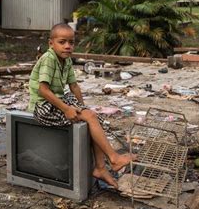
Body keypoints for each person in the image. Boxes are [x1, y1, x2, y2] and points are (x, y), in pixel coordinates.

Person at [28, 23, 135, 188]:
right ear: (51, 43)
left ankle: (100, 168)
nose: (68, 46)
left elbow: (74, 86)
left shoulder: (67, 60)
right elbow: (43, 90)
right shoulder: (49, 59)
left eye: (71, 42)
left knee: (92, 118)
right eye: (62, 42)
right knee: (90, 118)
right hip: (43, 106)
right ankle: (113, 158)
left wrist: (84, 109)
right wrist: (66, 108)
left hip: (59, 98)